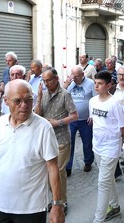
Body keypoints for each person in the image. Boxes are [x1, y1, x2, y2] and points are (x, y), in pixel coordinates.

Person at [0, 79, 65, 223]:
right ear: (5, 101)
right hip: (2, 206)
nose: (24, 106)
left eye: (28, 100)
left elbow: (53, 168)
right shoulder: (0, 123)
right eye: (17, 101)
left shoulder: (44, 128)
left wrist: (57, 205)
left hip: (32, 209)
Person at [35, 67, 78, 214]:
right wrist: (39, 97)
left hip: (61, 139)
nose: (46, 83)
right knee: (47, 172)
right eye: (44, 81)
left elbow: (74, 116)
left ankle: (62, 202)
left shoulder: (65, 95)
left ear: (56, 79)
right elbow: (37, 115)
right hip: (45, 140)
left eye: (49, 80)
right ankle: (53, 200)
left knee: (59, 172)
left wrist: (58, 122)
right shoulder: (43, 94)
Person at [89, 71, 124, 223]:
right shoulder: (92, 101)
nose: (96, 86)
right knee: (108, 178)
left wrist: (117, 142)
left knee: (103, 183)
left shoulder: (114, 103)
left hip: (110, 149)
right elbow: (95, 120)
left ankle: (98, 219)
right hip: (97, 147)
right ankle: (115, 206)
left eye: (100, 83)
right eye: (95, 83)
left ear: (109, 85)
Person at [66, 65, 95, 176]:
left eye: (77, 76)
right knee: (70, 143)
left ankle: (88, 162)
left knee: (87, 143)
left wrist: (92, 115)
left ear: (83, 74)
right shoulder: (70, 83)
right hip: (71, 119)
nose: (75, 78)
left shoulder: (90, 83)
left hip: (85, 120)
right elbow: (63, 95)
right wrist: (68, 82)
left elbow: (95, 99)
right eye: (73, 76)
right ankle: (68, 166)